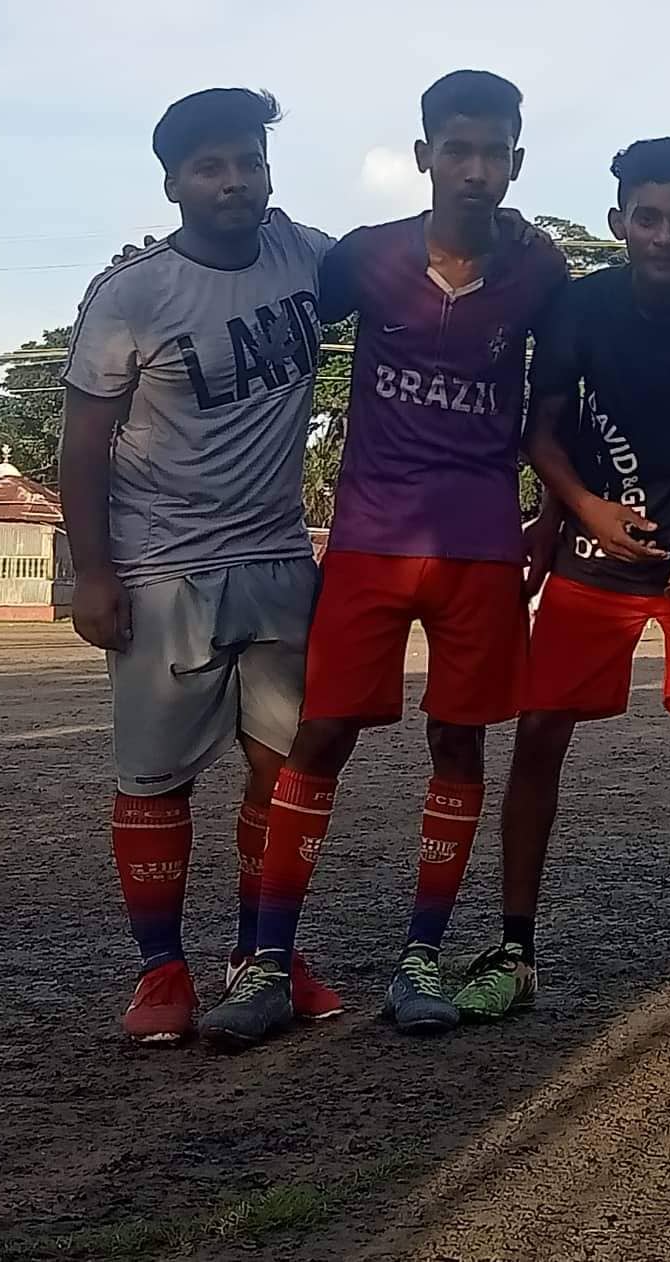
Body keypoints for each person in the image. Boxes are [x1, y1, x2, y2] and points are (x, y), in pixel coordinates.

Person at [199, 71, 566, 1047]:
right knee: (320, 737)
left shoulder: (540, 269)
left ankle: (421, 960)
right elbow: (268, 302)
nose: (476, 169)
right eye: (458, 149)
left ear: (516, 163)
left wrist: (551, 513)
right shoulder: (365, 258)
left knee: (459, 743)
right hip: (369, 539)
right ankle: (266, 963)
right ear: (424, 156)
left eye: (494, 153)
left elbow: (558, 398)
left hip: (480, 545)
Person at [455, 137, 670, 1029]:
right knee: (539, 736)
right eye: (649, 217)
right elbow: (542, 430)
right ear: (619, 222)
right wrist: (581, 510)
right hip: (593, 558)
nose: (665, 234)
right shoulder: (579, 308)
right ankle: (515, 949)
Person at [61, 88, 343, 1043]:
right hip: (162, 565)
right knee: (156, 778)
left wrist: (504, 234)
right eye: (210, 166)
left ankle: (263, 957)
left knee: (286, 765)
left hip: (277, 554)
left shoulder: (303, 253)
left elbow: (402, 268)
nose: (235, 181)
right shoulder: (131, 294)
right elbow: (82, 445)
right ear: (173, 183)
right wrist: (92, 573)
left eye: (250, 162)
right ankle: (161, 970)